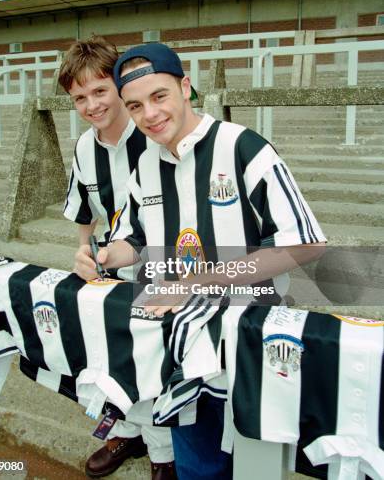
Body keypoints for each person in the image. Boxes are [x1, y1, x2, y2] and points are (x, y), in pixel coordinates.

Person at [74, 42, 327, 480]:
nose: (149, 115)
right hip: (180, 348)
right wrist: (103, 254)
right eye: (135, 106)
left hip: (247, 344)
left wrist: (194, 283)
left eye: (159, 97)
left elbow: (305, 244)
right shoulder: (146, 166)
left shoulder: (243, 147)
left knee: (252, 467)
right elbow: (136, 240)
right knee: (197, 467)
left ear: (185, 87)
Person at [58, 36, 176, 480]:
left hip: (159, 263)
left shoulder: (151, 132)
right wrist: (83, 251)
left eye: (100, 90)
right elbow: (85, 210)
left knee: (153, 357)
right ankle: (126, 431)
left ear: (119, 85)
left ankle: (164, 454)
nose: (91, 104)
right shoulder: (85, 148)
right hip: (111, 262)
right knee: (108, 350)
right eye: (80, 97)